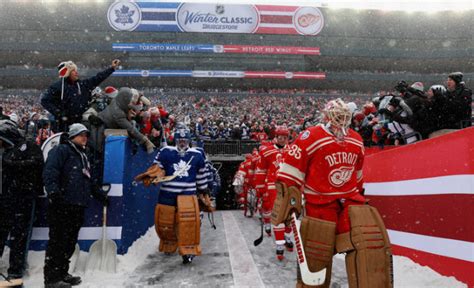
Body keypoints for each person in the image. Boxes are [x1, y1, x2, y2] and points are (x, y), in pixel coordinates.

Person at [272, 99, 393, 287]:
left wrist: (359, 192)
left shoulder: (355, 138)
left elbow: (358, 174)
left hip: (351, 201)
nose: (342, 120)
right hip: (320, 203)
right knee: (316, 258)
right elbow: (289, 175)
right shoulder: (309, 136)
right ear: (327, 116)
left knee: (371, 247)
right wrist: (288, 204)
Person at [42, 123, 108, 288]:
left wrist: (100, 195)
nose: (84, 137)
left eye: (86, 135)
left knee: (70, 241)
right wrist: (53, 193)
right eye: (81, 135)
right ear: (72, 136)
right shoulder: (61, 150)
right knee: (58, 241)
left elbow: (89, 180)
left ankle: (62, 272)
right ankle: (51, 278)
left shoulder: (83, 155)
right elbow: (50, 172)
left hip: (77, 205)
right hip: (62, 204)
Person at [134, 125, 208, 264]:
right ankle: (169, 242)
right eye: (180, 140)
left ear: (189, 140)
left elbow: (201, 175)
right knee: (165, 222)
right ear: (175, 140)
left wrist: (203, 191)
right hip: (167, 193)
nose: (182, 143)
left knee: (189, 222)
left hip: (187, 194)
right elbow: (158, 168)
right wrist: (155, 173)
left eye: (185, 140)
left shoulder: (197, 154)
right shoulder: (165, 151)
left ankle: (189, 249)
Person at [0, 119, 43, 285]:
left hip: (23, 199)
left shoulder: (29, 146)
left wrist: (14, 165)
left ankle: (16, 271)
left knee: (19, 236)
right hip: (5, 199)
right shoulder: (5, 150)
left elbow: (37, 164)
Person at [40, 59, 120, 132]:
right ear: (67, 73)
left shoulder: (82, 85)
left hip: (81, 123)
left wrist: (111, 68)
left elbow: (97, 78)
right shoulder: (57, 86)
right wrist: (59, 113)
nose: (76, 72)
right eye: (73, 71)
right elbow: (44, 101)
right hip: (63, 125)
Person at [254, 125, 293, 260]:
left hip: (290, 187)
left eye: (285, 137)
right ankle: (280, 244)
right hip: (273, 187)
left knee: (289, 215)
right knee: (278, 216)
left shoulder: (293, 151)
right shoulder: (267, 152)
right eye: (280, 137)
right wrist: (259, 188)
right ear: (275, 137)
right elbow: (261, 171)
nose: (282, 140)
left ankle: (288, 237)